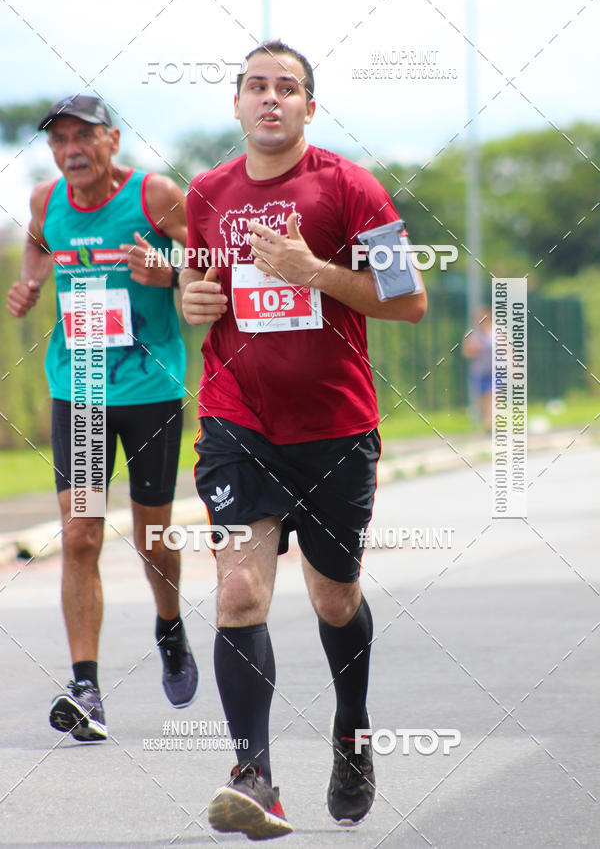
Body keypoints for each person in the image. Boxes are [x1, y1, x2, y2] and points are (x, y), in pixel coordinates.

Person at [181, 41, 427, 839]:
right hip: (236, 422)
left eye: (288, 88)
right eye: (256, 86)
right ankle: (253, 775)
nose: (271, 99)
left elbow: (409, 299)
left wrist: (311, 270)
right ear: (238, 103)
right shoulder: (206, 194)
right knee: (240, 593)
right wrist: (195, 305)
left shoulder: (349, 186)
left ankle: (351, 732)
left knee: (334, 597)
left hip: (336, 429)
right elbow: (204, 295)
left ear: (310, 108)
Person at [6, 95, 198, 742]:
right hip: (82, 386)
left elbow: (209, 263)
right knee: (82, 533)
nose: (71, 151)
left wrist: (166, 270)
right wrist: (32, 283)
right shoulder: (45, 202)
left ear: (113, 139)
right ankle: (85, 686)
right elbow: (38, 245)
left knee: (151, 535)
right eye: (59, 140)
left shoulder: (156, 196)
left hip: (149, 388)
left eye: (83, 136)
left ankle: (168, 624)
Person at [462, 305, 493, 431]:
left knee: (491, 395)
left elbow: (508, 348)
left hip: (494, 370)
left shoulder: (496, 332)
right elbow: (466, 352)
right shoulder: (472, 333)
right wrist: (474, 350)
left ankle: (490, 422)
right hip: (479, 371)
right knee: (480, 400)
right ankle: (485, 421)